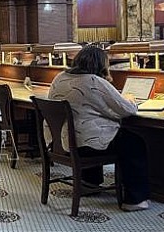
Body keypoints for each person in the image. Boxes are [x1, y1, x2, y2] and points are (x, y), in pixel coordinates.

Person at [47, 45, 150, 212]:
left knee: (95, 130)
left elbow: (92, 106)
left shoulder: (59, 78)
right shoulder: (93, 81)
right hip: (87, 146)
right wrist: (130, 99)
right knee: (134, 142)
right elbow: (126, 109)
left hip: (64, 141)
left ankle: (89, 182)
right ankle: (134, 199)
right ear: (100, 65)